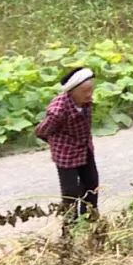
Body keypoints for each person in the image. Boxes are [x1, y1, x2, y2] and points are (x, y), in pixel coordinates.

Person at [35, 67, 99, 223]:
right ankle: (69, 227)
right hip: (66, 154)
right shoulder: (58, 111)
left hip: (84, 147)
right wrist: (58, 144)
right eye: (85, 91)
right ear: (72, 91)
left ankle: (90, 219)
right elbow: (42, 131)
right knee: (70, 192)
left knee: (92, 184)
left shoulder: (86, 102)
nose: (89, 95)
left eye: (91, 90)